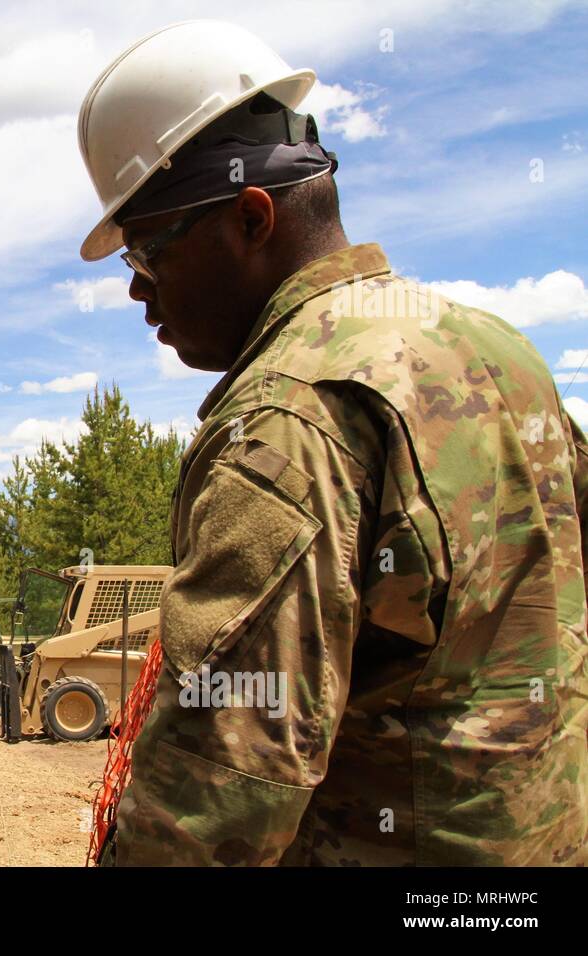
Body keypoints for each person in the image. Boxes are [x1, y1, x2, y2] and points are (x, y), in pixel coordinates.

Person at [73, 20, 588, 865]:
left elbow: (215, 802)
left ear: (250, 217)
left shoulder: (288, 420)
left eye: (147, 250)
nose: (136, 289)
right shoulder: (502, 354)